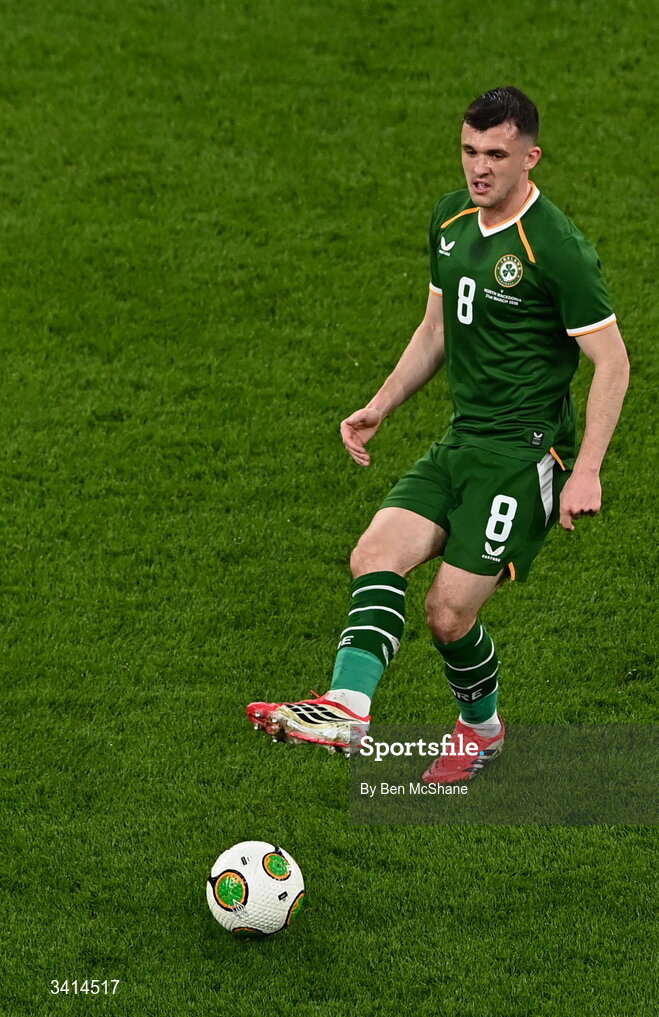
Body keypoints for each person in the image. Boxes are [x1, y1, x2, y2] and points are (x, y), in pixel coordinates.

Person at [247, 86, 629, 782]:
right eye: (469, 151)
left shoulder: (557, 248)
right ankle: (347, 708)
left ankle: (481, 731)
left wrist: (587, 471)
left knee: (448, 616)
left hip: (522, 457)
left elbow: (614, 362)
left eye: (496, 155)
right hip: (461, 441)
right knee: (374, 554)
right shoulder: (450, 218)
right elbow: (436, 330)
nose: (479, 167)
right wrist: (380, 404)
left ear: (530, 158)